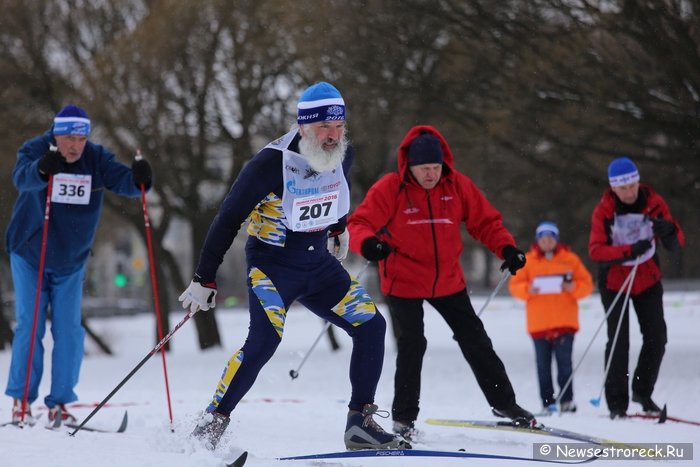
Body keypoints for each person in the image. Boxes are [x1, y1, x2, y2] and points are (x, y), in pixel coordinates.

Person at [179, 82, 407, 451]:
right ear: (303, 127)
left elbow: (337, 187)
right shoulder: (270, 165)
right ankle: (211, 425)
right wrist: (204, 277)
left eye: (338, 127)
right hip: (273, 268)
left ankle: (359, 423)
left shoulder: (343, 153)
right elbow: (227, 218)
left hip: (319, 266)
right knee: (264, 341)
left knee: (371, 325)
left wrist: (338, 227)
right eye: (323, 129)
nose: (333, 137)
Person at [346, 124, 535, 441]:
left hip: (447, 279)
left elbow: (485, 222)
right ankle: (404, 419)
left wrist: (507, 248)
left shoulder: (457, 186)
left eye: (435, 167)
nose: (431, 174)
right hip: (403, 280)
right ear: (410, 166)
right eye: (424, 169)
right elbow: (360, 223)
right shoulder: (391, 187)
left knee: (475, 339)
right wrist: (368, 244)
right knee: (412, 346)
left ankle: (506, 405)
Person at [5, 105, 152, 426]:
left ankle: (59, 402)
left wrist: (140, 179)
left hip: (71, 259)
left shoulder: (95, 158)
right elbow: (22, 178)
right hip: (31, 252)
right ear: (56, 133)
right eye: (69, 137)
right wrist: (43, 170)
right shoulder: (35, 149)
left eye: (81, 138)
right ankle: (21, 401)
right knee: (30, 326)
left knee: (69, 330)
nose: (74, 145)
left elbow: (123, 182)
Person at [589, 157, 684, 419]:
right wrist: (628, 250)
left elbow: (676, 244)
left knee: (657, 336)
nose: (630, 192)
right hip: (614, 281)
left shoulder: (654, 202)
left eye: (632, 185)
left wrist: (668, 231)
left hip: (648, 278)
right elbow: (596, 250)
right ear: (613, 189)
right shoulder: (604, 211)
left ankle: (642, 391)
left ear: (638, 181)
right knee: (619, 342)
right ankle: (616, 404)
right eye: (623, 188)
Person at [508, 221, 593, 414]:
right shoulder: (528, 260)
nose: (546, 243)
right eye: (543, 239)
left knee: (565, 365)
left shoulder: (570, 259)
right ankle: (547, 403)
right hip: (539, 325)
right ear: (538, 241)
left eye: (550, 239)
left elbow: (587, 284)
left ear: (556, 239)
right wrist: (527, 290)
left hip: (565, 323)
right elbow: (515, 286)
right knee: (543, 367)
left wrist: (574, 288)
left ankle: (567, 401)